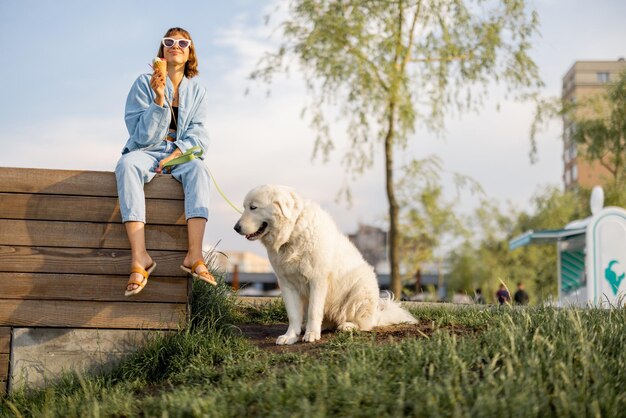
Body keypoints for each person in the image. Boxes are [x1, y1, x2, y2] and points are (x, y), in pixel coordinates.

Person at [116, 27, 216, 296]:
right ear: (162, 50)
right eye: (169, 41)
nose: (176, 45)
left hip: (180, 152)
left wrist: (177, 152)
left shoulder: (197, 91)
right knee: (126, 165)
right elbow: (139, 134)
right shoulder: (142, 83)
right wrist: (159, 99)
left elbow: (199, 132)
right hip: (146, 149)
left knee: (198, 169)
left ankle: (194, 257)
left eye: (183, 42)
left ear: (190, 51)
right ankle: (140, 258)